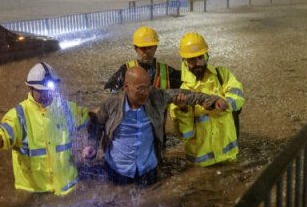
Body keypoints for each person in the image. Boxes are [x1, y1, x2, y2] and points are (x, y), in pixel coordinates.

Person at [87, 66, 223, 185]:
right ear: (126, 87)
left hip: (148, 171)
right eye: (140, 89)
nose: (146, 93)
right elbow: (96, 124)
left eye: (148, 87)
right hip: (117, 171)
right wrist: (92, 145)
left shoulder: (156, 97)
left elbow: (188, 95)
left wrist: (212, 100)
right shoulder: (111, 104)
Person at [0, 62, 91, 195]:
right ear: (30, 88)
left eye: (49, 91)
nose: (46, 95)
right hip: (35, 192)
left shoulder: (66, 108)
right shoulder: (19, 115)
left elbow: (91, 118)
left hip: (68, 187)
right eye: (41, 91)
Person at [170, 32, 245, 166]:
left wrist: (226, 103)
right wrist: (183, 110)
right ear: (185, 62)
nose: (198, 63)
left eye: (200, 57)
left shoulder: (222, 75)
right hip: (201, 166)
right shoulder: (182, 93)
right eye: (192, 59)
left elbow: (238, 96)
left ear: (206, 56)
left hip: (229, 157)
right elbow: (185, 135)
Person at [104, 26, 182, 92]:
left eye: (150, 47)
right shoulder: (126, 70)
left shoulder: (166, 71)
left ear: (155, 48)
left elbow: (187, 82)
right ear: (136, 48)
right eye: (143, 48)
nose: (147, 52)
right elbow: (109, 91)